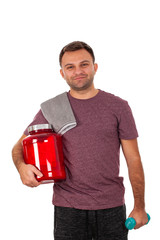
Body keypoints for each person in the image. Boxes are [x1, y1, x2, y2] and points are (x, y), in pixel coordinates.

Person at [12, 41, 148, 240]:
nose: (78, 71)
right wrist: (22, 166)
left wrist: (140, 207)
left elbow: (134, 160)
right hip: (68, 208)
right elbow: (17, 148)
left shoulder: (118, 107)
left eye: (84, 64)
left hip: (110, 206)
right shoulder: (52, 108)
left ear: (95, 67)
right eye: (70, 67)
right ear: (62, 73)